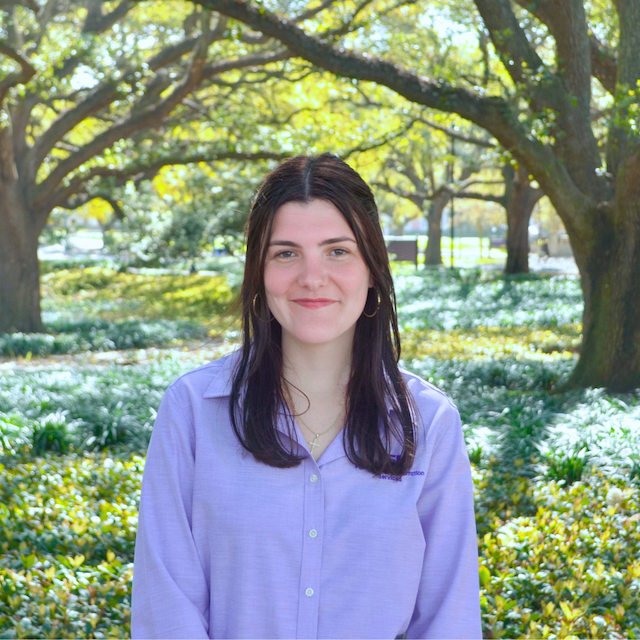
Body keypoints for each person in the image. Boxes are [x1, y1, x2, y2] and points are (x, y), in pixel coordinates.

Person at [131, 153, 482, 639]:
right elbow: (165, 608)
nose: (312, 277)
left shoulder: (429, 422)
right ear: (259, 271)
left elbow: (448, 616)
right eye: (286, 253)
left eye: (337, 251)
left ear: (373, 269)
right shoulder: (192, 411)